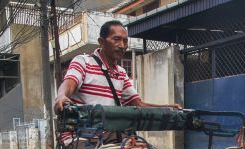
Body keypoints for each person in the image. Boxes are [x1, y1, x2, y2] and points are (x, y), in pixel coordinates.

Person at [53, 20, 181, 124]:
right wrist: (61, 97)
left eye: (125, 41)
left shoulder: (121, 73)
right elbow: (68, 84)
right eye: (116, 39)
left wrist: (167, 108)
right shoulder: (83, 62)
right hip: (83, 136)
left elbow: (138, 104)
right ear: (101, 42)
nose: (122, 45)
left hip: (112, 133)